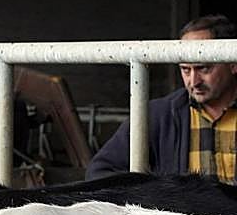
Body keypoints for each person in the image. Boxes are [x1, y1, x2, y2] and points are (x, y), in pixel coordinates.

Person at [87, 14, 237, 181]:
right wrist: (154, 193)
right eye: (186, 69)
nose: (194, 81)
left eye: (203, 68)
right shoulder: (158, 115)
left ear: (233, 64)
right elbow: (99, 172)